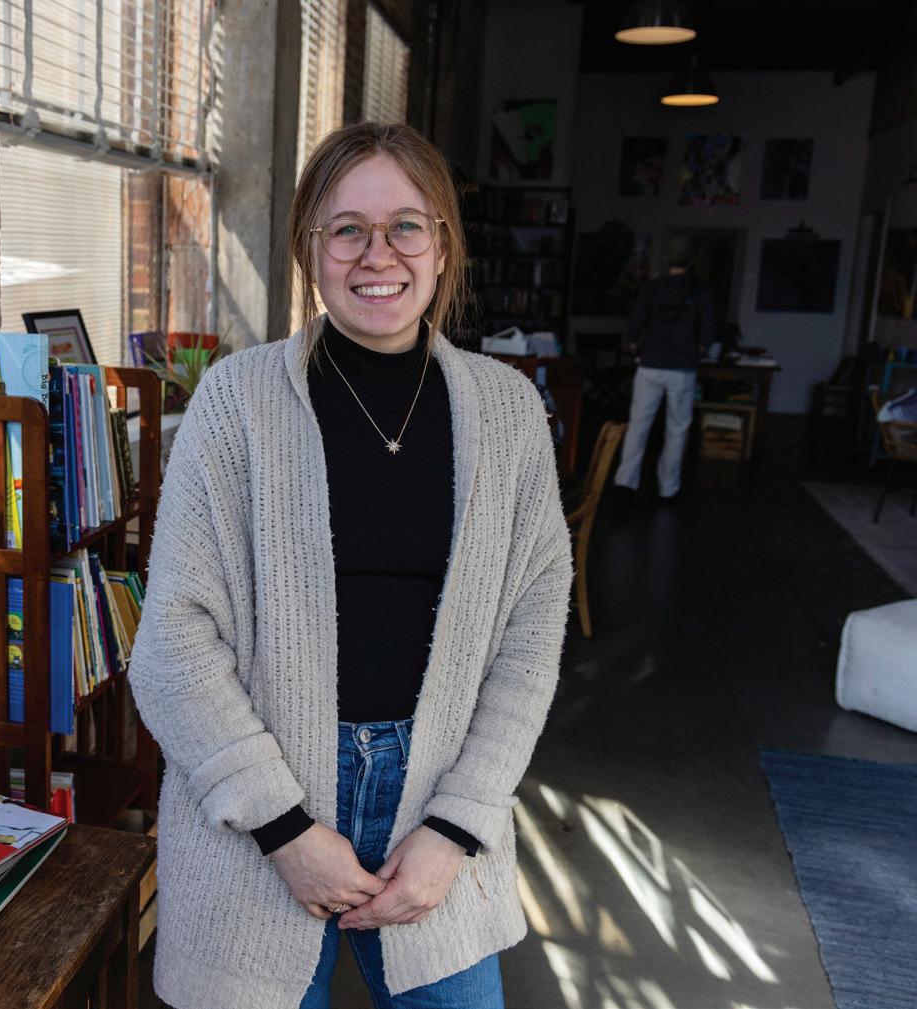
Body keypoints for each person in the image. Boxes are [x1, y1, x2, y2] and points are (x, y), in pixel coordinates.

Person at [128, 122, 572, 1009]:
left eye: (406, 225)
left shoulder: (509, 412)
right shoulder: (236, 401)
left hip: (437, 806)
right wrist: (284, 826)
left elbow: (530, 637)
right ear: (310, 247)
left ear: (442, 245)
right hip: (256, 809)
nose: (379, 254)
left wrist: (457, 826)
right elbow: (173, 640)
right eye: (348, 229)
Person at [613, 234, 715, 502]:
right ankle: (668, 489)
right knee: (677, 430)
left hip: (650, 365)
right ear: (692, 260)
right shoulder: (701, 290)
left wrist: (633, 346)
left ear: (666, 258)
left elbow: (634, 325)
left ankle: (625, 483)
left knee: (638, 425)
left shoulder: (651, 288)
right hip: (682, 368)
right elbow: (708, 333)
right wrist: (701, 348)